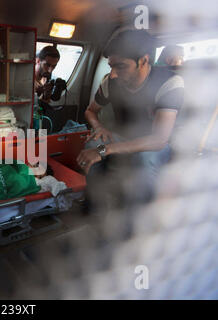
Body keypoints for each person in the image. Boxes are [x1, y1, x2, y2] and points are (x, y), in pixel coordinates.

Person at [77, 30, 184, 212]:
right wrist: (98, 127)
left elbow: (159, 139)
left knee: (144, 158)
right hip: (123, 138)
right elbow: (91, 111)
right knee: (92, 145)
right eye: (111, 66)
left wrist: (105, 150)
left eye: (120, 66)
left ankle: (139, 217)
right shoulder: (110, 82)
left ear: (143, 61)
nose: (113, 74)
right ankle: (92, 207)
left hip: (157, 145)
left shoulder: (169, 82)